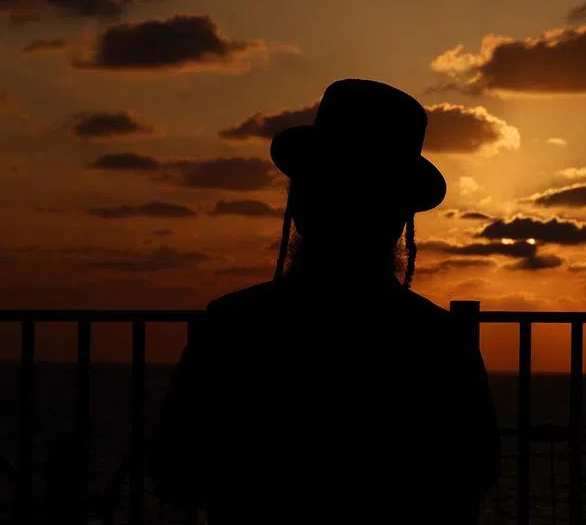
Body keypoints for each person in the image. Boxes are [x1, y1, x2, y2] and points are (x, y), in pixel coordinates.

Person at [151, 79, 501, 524]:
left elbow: (176, 472)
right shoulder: (439, 341)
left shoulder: (234, 325)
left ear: (302, 202)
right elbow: (473, 474)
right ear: (399, 217)